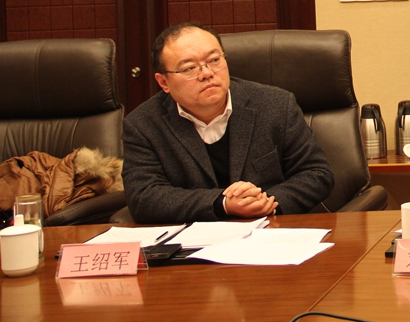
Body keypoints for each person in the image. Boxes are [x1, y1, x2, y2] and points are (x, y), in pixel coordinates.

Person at [122, 22, 334, 223]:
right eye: (189, 68)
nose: (207, 73)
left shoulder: (276, 104)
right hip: (197, 239)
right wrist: (222, 203)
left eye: (215, 60)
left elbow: (316, 173)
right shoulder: (142, 125)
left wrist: (267, 202)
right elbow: (143, 197)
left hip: (276, 230)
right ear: (163, 82)